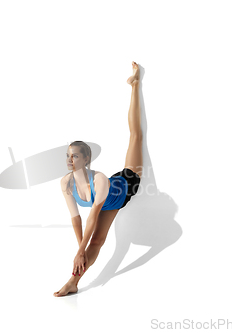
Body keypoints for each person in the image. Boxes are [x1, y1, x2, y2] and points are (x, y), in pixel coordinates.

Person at [54, 61, 143, 297]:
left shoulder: (100, 179)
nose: (70, 160)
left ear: (86, 158)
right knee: (95, 244)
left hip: (126, 182)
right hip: (108, 194)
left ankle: (135, 85)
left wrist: (81, 250)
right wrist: (79, 249)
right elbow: (76, 219)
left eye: (75, 156)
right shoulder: (66, 183)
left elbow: (92, 217)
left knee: (136, 136)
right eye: (68, 156)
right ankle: (73, 283)